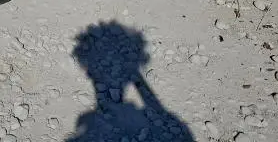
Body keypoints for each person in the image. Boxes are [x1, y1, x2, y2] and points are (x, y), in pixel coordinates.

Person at [66, 21, 194, 142]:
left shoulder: (87, 124)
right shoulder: (147, 123)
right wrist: (134, 74)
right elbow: (170, 125)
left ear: (89, 71)